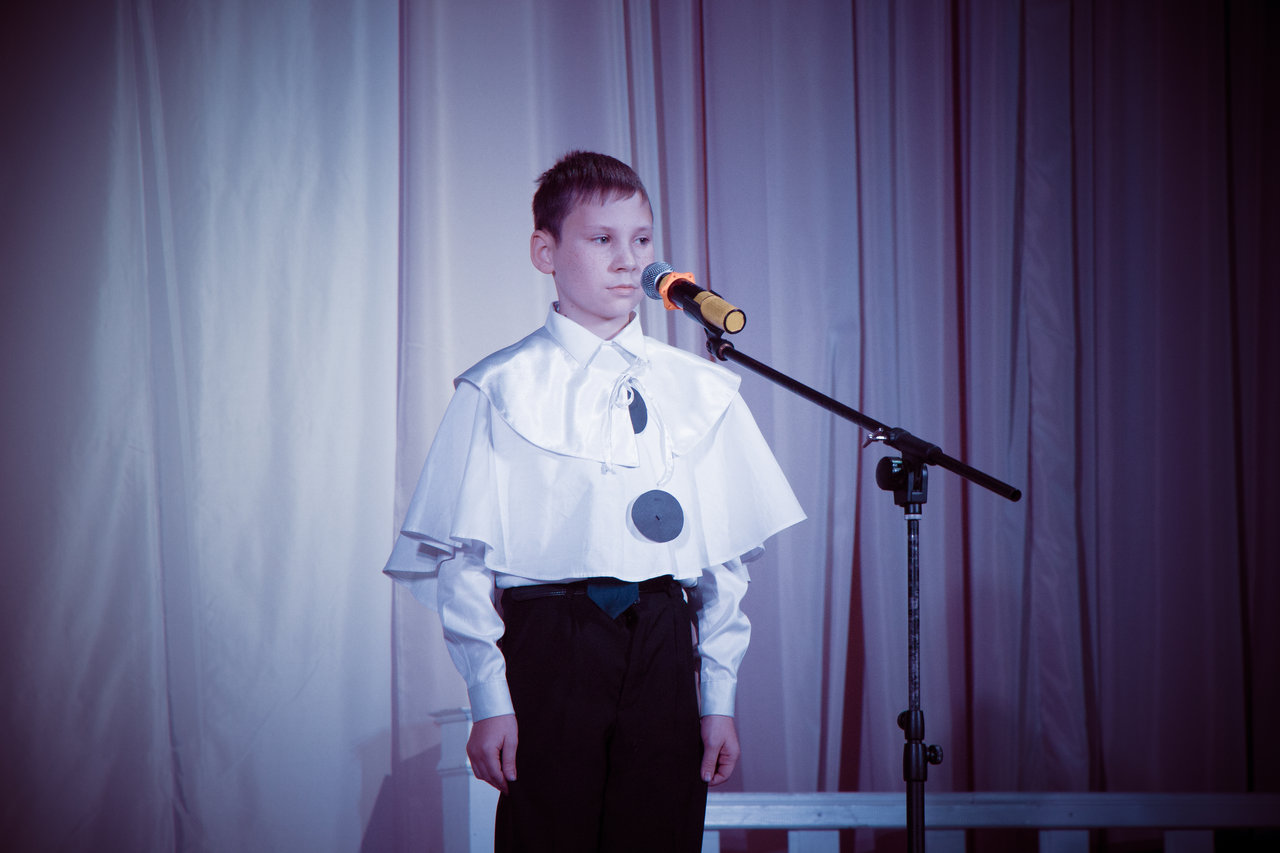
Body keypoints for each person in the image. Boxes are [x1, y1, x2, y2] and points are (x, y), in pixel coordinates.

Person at [382, 151, 804, 852]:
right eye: (601, 238)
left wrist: (718, 696)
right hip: (552, 636)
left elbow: (722, 562)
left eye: (641, 239)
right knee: (550, 835)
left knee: (660, 834)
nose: (627, 260)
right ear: (545, 252)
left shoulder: (697, 388)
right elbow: (465, 559)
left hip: (664, 633)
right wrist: (489, 696)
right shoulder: (500, 385)